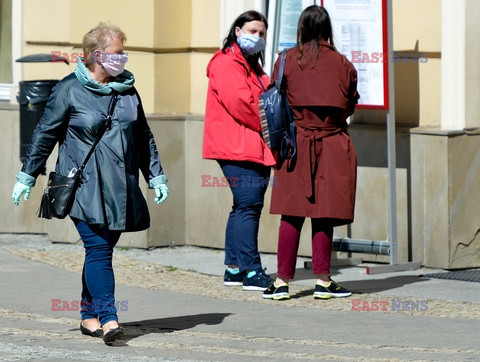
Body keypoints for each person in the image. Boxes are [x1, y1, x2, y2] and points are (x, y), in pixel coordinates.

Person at [11, 23, 169, 343]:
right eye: (117, 53)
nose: (122, 58)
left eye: (124, 52)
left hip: (119, 187)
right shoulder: (69, 88)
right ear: (96, 55)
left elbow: (142, 136)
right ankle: (110, 319)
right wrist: (28, 174)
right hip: (83, 185)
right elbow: (45, 133)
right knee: (98, 249)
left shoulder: (127, 89)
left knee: (99, 251)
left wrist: (155, 174)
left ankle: (88, 315)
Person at [262, 6, 359, 301]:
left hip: (296, 144)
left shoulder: (286, 60)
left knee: (291, 214)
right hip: (332, 143)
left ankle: (281, 282)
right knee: (324, 215)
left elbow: (272, 98)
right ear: (327, 29)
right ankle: (323, 280)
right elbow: (351, 103)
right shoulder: (343, 64)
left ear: (301, 28)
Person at [203, 10, 276, 291]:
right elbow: (244, 104)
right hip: (237, 146)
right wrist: (272, 122)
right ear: (237, 31)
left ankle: (234, 268)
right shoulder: (226, 63)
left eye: (261, 34)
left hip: (249, 144)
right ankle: (251, 271)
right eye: (252, 31)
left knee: (241, 206)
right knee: (249, 205)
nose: (257, 38)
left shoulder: (250, 65)